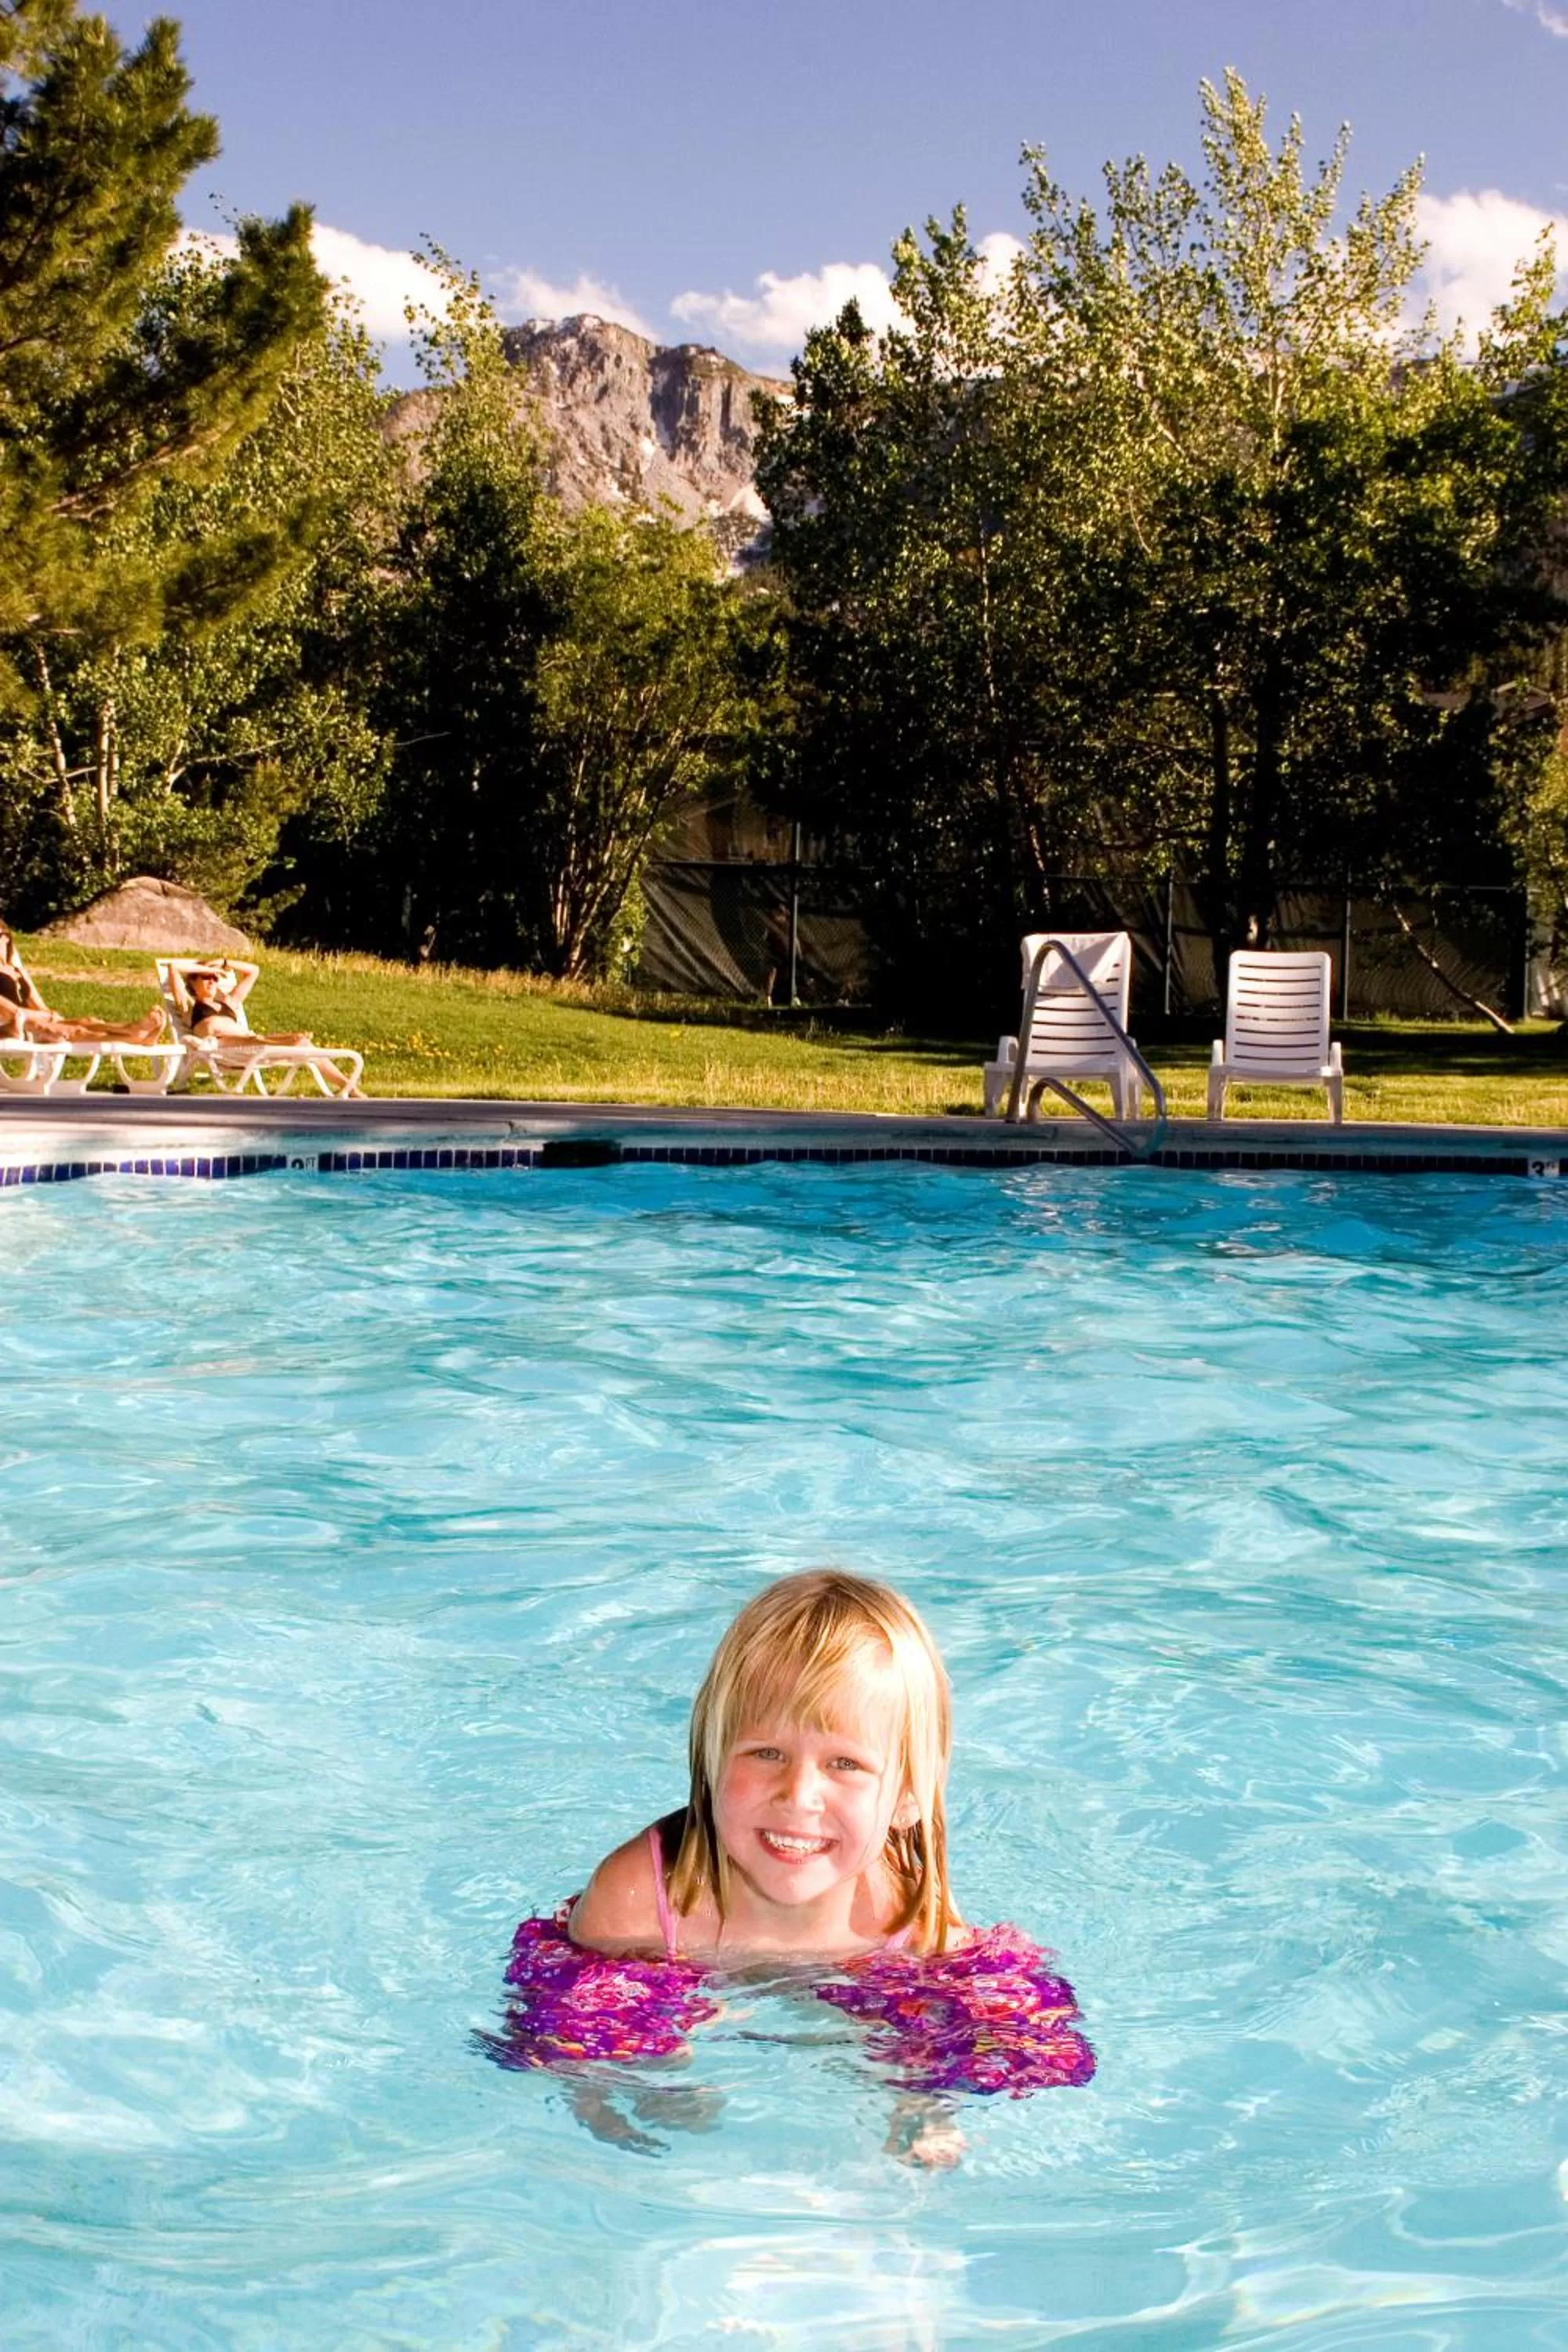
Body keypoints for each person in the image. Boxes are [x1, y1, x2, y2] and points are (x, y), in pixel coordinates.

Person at [482, 1570, 1094, 2164]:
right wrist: (615, 2093)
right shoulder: (642, 1899)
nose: (799, 1795)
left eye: (846, 1764)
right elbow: (570, 2044)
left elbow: (979, 2042)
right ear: (711, 1758)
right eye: (766, 1753)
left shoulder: (906, 1923)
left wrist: (921, 2106)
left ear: (908, 1794)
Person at [0, 930, 165, 1046]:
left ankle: (132, 1031)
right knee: (76, 1031)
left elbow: (40, 1006)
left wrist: (46, 1014)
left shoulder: (17, 970)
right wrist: (42, 1015)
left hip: (33, 1017)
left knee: (88, 1022)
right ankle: (133, 1037)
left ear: (6, 939)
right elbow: (13, 1011)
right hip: (14, 1022)